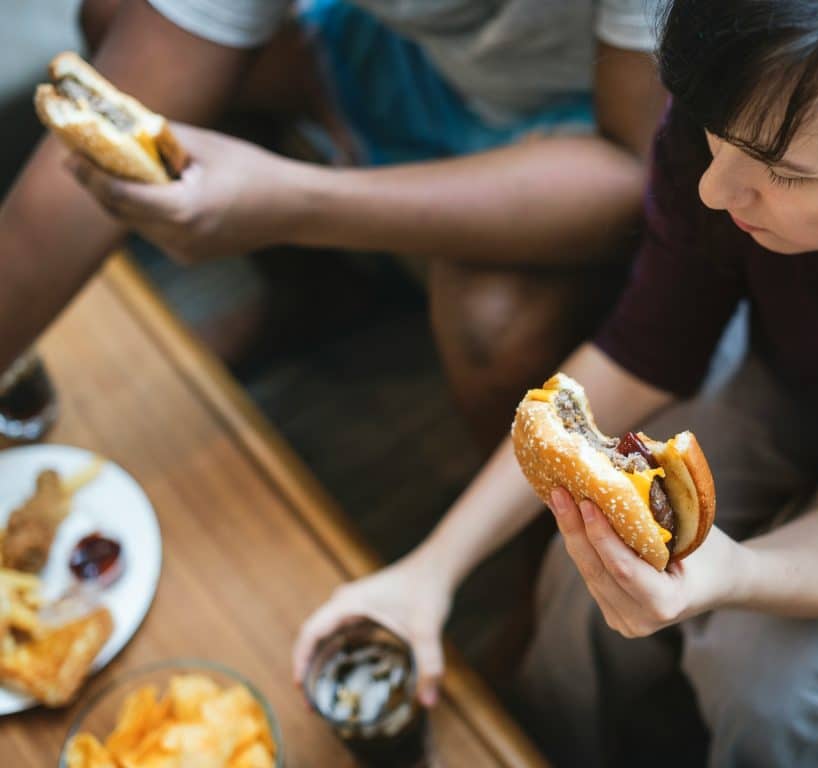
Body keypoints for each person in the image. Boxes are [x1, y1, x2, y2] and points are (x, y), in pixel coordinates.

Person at [292, 0, 818, 765]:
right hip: (807, 377)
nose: (714, 189)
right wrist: (429, 571)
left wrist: (732, 573)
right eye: (716, 127)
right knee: (581, 587)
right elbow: (646, 349)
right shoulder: (733, 131)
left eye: (784, 173)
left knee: (767, 685)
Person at [0, 0, 667, 449]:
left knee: (495, 326)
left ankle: (542, 564)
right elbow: (112, 117)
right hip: (421, 62)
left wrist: (295, 204)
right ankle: (321, 295)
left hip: (598, 110)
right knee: (115, 17)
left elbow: (637, 171)